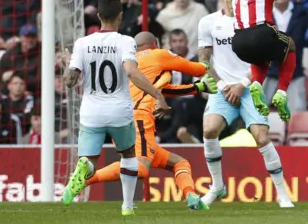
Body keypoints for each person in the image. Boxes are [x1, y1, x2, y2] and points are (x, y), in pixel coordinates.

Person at [60, 0, 171, 216]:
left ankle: (84, 167)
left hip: (91, 113)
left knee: (89, 160)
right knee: (129, 156)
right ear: (120, 16)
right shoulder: (125, 41)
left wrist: (67, 63)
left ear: (98, 16)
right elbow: (131, 71)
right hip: (119, 112)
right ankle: (127, 206)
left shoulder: (83, 43)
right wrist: (158, 94)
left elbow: (70, 81)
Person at [83, 31, 217, 210]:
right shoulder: (158, 54)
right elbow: (197, 69)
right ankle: (87, 178)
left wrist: (196, 87)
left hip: (118, 119)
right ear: (155, 43)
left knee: (179, 163)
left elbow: (162, 89)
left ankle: (191, 196)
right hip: (139, 118)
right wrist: (206, 62)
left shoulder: (126, 64)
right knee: (140, 167)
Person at [198, 0, 294, 208]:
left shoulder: (255, 22)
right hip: (222, 89)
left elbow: (266, 60)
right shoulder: (208, 22)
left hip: (250, 87)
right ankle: (217, 186)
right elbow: (203, 61)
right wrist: (222, 86)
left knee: (261, 137)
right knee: (209, 129)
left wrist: (242, 83)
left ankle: (282, 194)